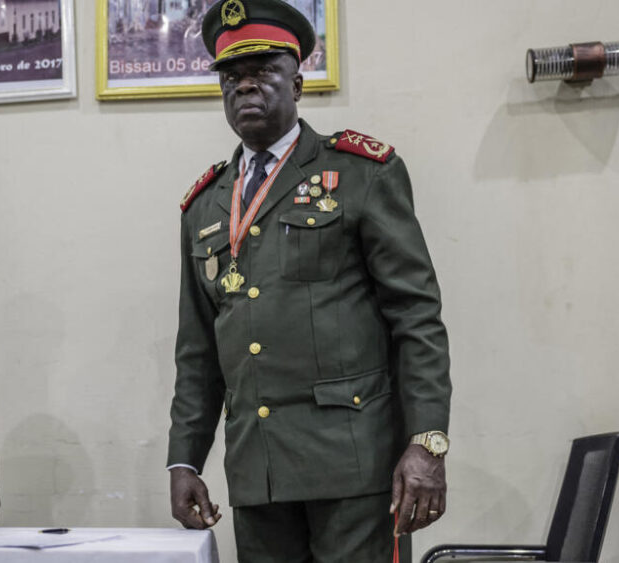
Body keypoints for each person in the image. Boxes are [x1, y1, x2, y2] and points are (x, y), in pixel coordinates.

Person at [167, 1, 452, 560]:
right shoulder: (204, 206)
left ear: (297, 82)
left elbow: (416, 317)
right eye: (232, 77)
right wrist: (184, 460)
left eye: (264, 72)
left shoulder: (360, 173)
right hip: (258, 471)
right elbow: (198, 350)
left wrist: (427, 443)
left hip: (354, 467)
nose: (246, 87)